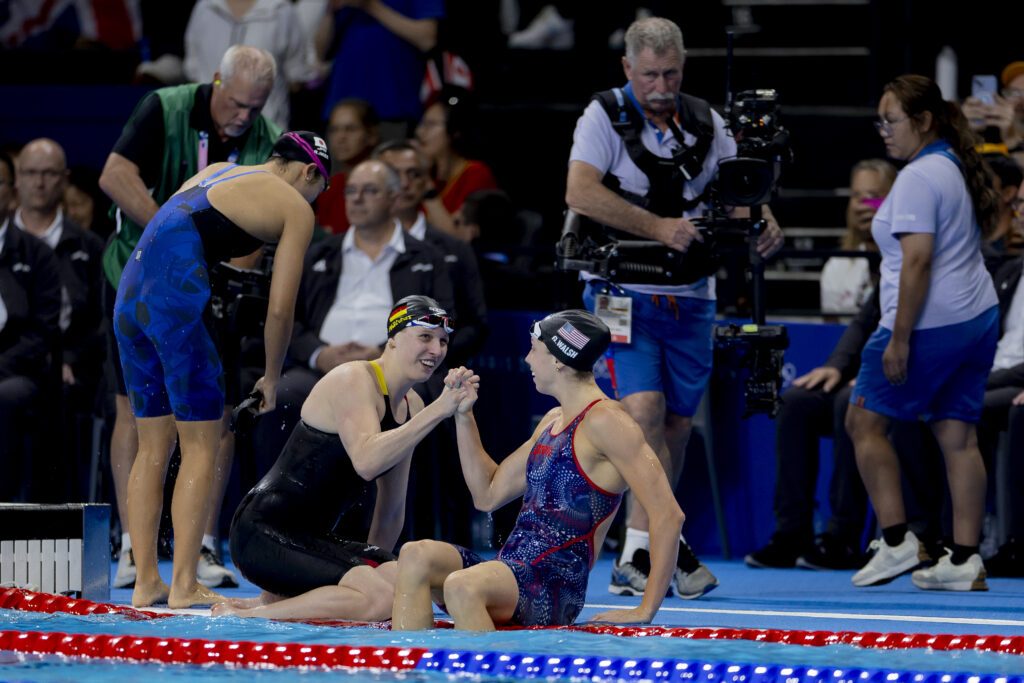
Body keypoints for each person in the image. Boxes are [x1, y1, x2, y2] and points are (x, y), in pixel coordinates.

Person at [564, 16, 783, 598]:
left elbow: (741, 192)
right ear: (627, 69)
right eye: (650, 75)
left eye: (671, 73)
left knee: (679, 426)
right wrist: (658, 227)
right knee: (644, 414)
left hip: (693, 296)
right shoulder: (603, 115)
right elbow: (579, 192)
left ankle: (644, 547)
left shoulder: (706, 120)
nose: (661, 86)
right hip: (623, 294)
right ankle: (654, 545)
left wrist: (763, 222)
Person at [113, 130, 328, 608]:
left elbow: (167, 228)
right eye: (322, 188)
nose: (317, 200)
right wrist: (271, 376)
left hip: (129, 298)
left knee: (152, 445)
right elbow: (279, 309)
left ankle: (147, 580)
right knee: (201, 445)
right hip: (175, 302)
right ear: (310, 172)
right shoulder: (296, 208)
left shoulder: (216, 170)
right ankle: (184, 584)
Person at [99, 45, 280, 591]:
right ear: (217, 79)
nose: (244, 116)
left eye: (256, 107)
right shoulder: (166, 106)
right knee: (137, 416)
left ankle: (200, 544)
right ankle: (136, 548)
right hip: (141, 282)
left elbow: (259, 233)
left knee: (216, 419)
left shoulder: (263, 136)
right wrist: (173, 240)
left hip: (208, 295)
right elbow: (113, 174)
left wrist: (206, 262)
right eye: (237, 103)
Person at [391, 310, 684, 630]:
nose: (527, 359)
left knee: (463, 585)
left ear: (559, 359)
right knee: (415, 555)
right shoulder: (553, 421)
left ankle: (492, 673)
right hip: (513, 571)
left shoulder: (608, 422)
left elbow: (668, 515)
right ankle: (409, 668)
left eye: (534, 350)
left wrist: (645, 609)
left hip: (553, 588)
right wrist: (465, 416)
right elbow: (487, 494)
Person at [214, 296, 472, 620]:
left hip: (316, 541)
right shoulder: (353, 379)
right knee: (380, 599)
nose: (436, 350)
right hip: (263, 533)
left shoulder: (412, 406)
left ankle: (263, 604)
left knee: (401, 584)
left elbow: (390, 510)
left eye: (443, 341)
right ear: (392, 340)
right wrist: (438, 411)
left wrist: (373, 567)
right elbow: (367, 461)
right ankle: (248, 616)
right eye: (425, 337)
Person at [846, 74, 1000, 591]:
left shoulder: (915, 177)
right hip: (977, 318)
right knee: (957, 436)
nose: (883, 131)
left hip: (930, 324)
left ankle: (896, 541)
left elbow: (917, 262)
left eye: (891, 121)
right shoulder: (953, 166)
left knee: (863, 423)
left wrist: (901, 338)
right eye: (879, 121)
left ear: (924, 121)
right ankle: (964, 559)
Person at [250, 159, 454, 479]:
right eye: (351, 191)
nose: (356, 199)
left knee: (416, 402)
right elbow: (292, 319)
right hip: (322, 367)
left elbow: (443, 322)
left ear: (394, 198)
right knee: (285, 395)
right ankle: (273, 501)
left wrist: (386, 356)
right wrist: (320, 354)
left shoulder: (427, 257)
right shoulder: (319, 253)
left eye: (369, 191)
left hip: (394, 369)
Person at [12, 139, 105, 501]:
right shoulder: (4, 242)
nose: (39, 183)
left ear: (64, 179)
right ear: (16, 178)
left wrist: (71, 359)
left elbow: (102, 319)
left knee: (60, 399)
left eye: (49, 174)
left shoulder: (89, 246)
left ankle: (60, 520)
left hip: (72, 372)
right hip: (13, 365)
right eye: (30, 173)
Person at [0, 150, 62, 502]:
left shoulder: (36, 255)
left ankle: (5, 509)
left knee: (6, 398)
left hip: (16, 374)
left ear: (11, 191)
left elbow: (42, 333)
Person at [184, 0, 320, 129]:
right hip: (209, 130)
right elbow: (194, 71)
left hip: (265, 133)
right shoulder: (206, 7)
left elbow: (296, 78)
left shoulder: (281, 11)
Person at [317, 0, 443, 128]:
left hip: (392, 107)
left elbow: (427, 39)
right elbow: (321, 53)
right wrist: (330, 11)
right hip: (340, 110)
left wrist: (370, 5)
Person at [415, 87, 498, 235]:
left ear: (455, 132)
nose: (420, 132)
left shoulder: (476, 173)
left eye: (431, 124)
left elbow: (456, 237)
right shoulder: (430, 174)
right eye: (422, 124)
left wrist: (426, 184)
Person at [819, 159, 896, 316]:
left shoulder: (909, 263)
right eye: (857, 196)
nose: (863, 206)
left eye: (873, 196)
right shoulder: (837, 266)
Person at [316, 99, 381, 235]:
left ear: (371, 135)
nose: (341, 137)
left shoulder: (385, 184)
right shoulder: (329, 187)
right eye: (334, 130)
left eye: (350, 129)